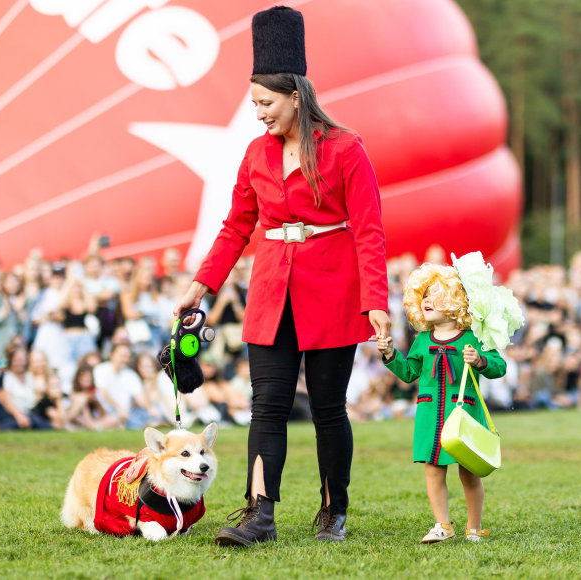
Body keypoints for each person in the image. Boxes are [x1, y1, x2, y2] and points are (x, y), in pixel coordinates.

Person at [173, 6, 390, 546]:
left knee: (327, 410)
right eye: (253, 105)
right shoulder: (254, 154)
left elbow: (369, 231)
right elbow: (235, 227)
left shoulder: (346, 148)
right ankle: (259, 514)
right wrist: (201, 284)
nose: (259, 114)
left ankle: (332, 511)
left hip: (334, 294)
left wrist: (376, 302)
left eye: (266, 104)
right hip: (272, 292)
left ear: (296, 95)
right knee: (264, 406)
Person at [377, 260, 511, 544]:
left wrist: (480, 360)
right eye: (423, 295)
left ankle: (473, 527)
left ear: (455, 299)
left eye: (435, 293)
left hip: (464, 415)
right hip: (429, 416)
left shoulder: (474, 337)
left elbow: (499, 367)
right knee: (432, 469)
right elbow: (409, 372)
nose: (427, 300)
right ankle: (443, 525)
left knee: (469, 471)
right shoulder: (422, 340)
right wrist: (390, 353)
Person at [92, 342, 142, 429]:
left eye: (127, 357)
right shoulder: (101, 369)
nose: (125, 359)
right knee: (116, 419)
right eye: (122, 356)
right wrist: (119, 409)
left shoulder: (131, 374)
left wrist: (150, 409)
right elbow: (104, 393)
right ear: (112, 355)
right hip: (105, 412)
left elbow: (140, 397)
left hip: (127, 414)